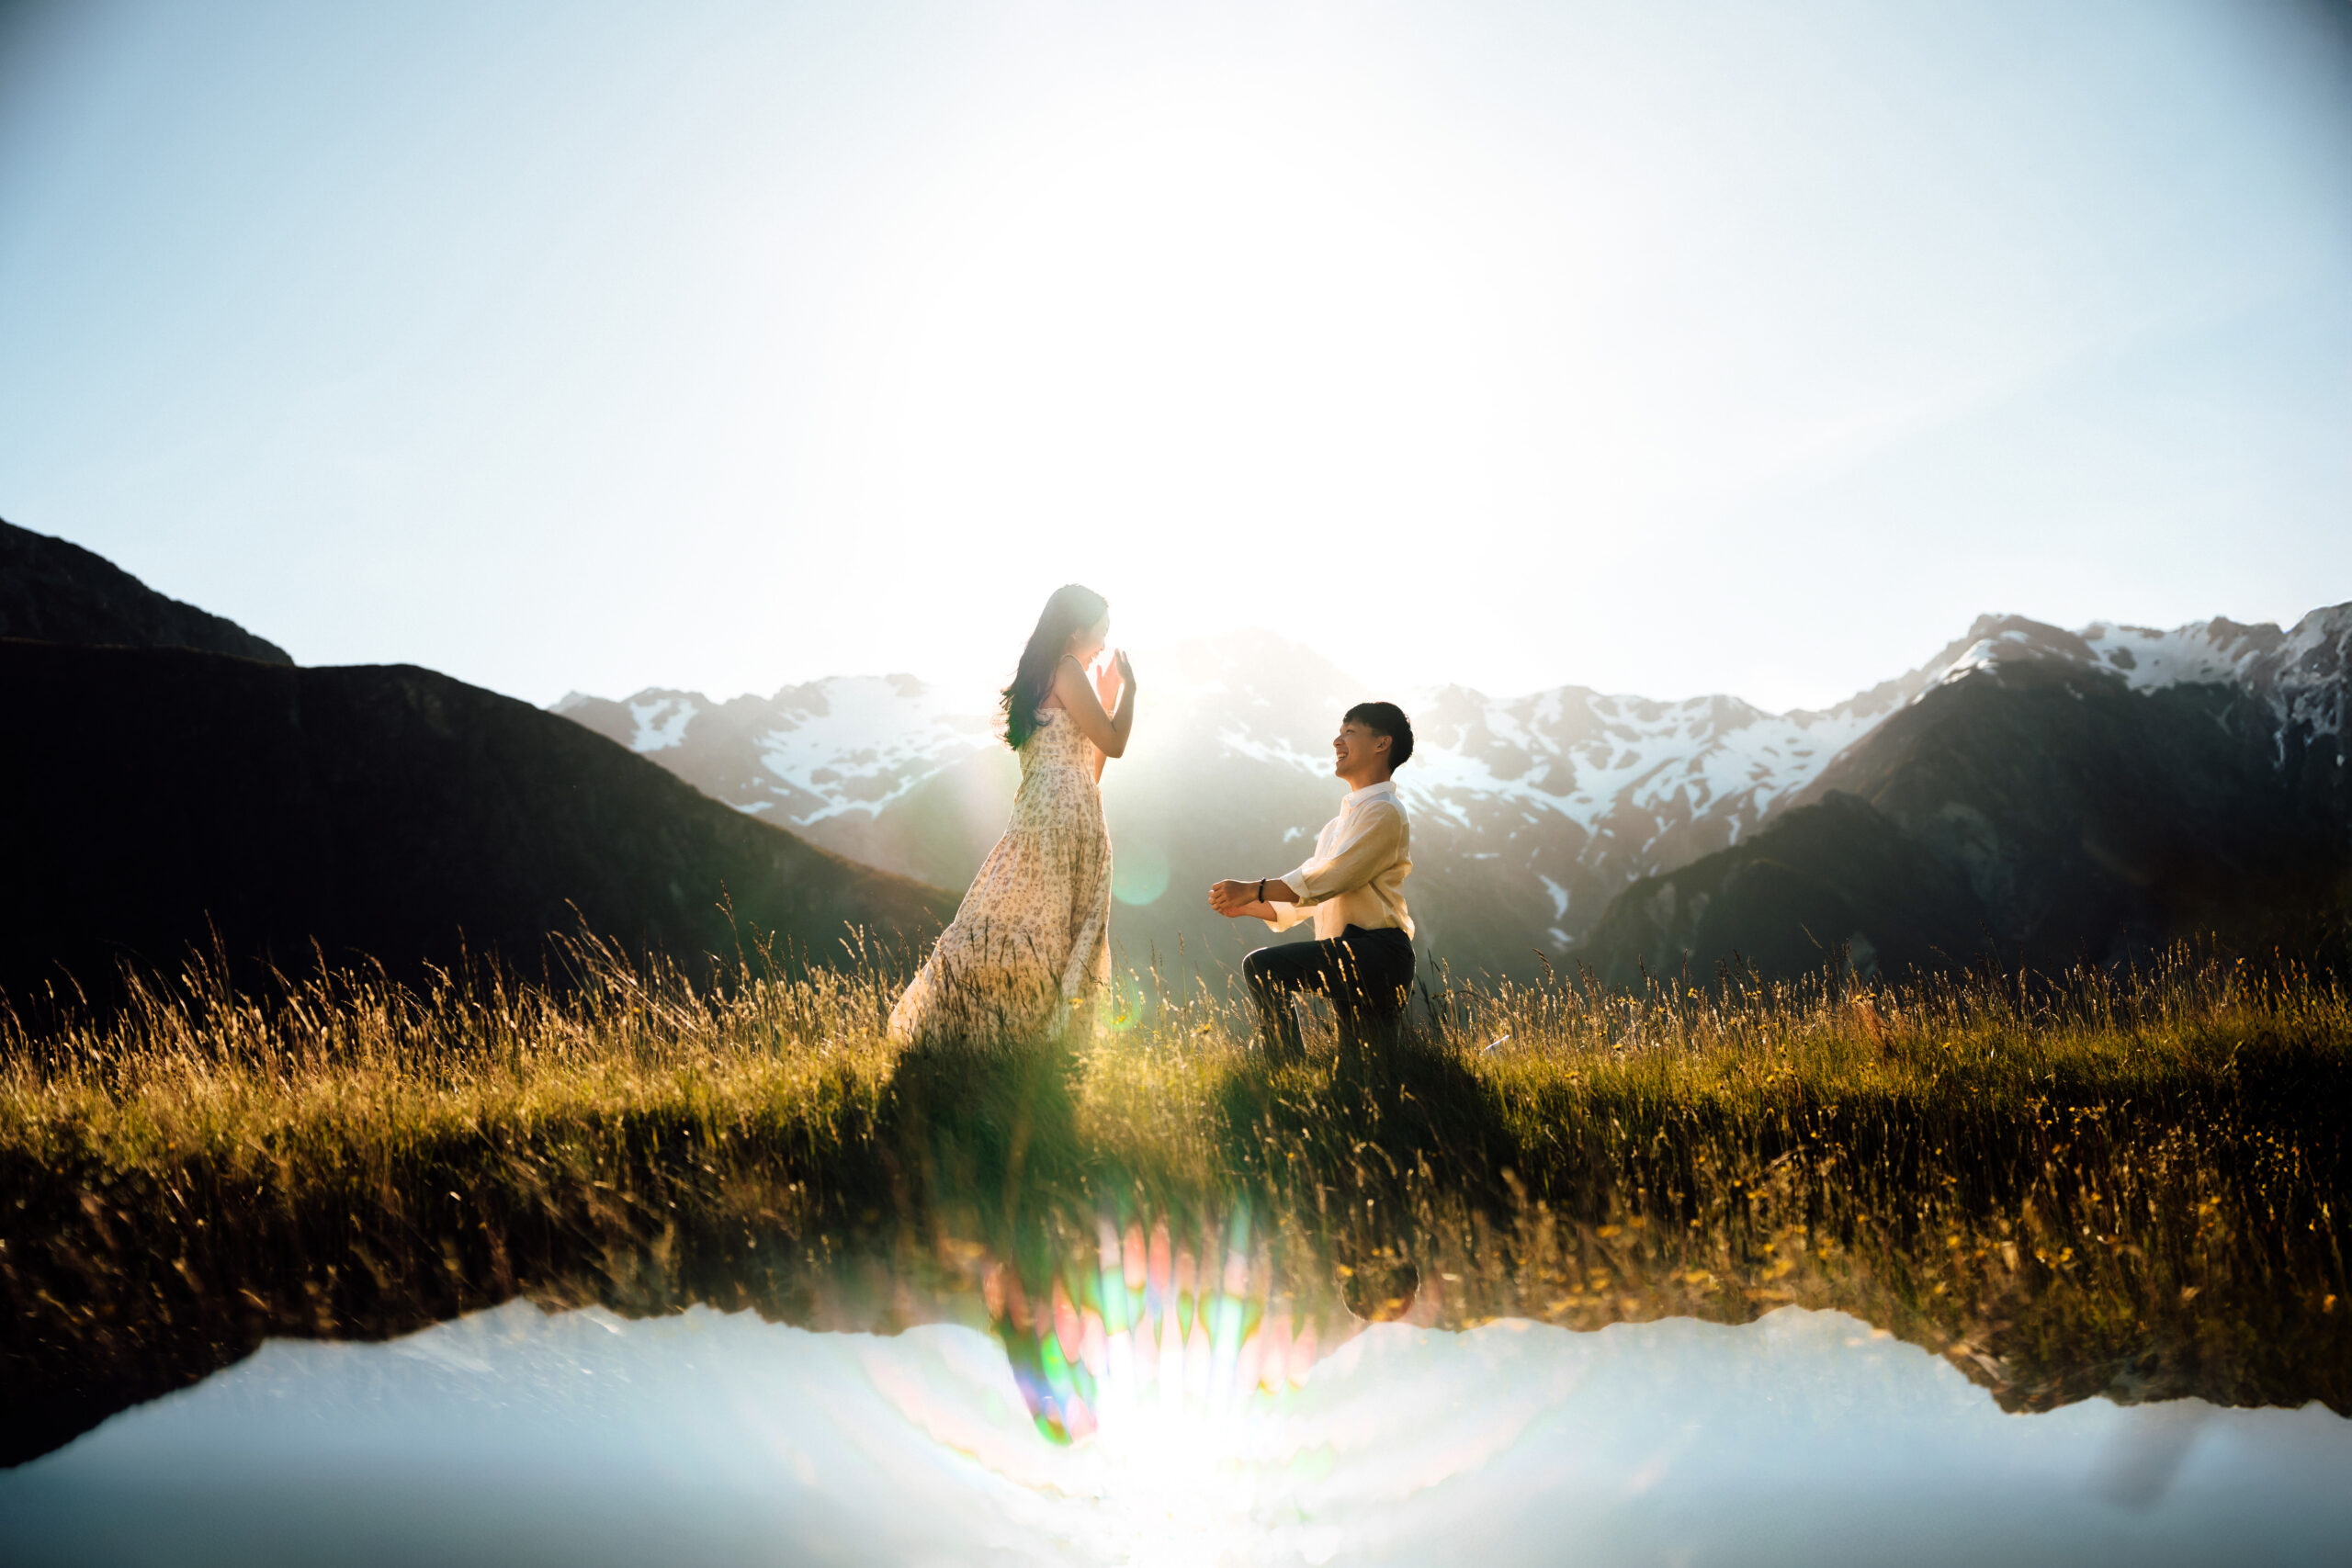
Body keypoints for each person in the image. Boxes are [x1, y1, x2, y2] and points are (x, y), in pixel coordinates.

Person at [888, 584, 1136, 1048]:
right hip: (1069, 819)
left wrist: (1102, 699)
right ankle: (1048, 1040)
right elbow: (1116, 745)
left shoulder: (1040, 676)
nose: (1104, 644)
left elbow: (1093, 766)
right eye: (1100, 632)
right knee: (1066, 931)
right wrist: (1127, 691)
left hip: (1044, 814)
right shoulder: (1067, 669)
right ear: (1076, 631)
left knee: (1020, 924)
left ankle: (988, 1028)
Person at [1208, 702, 1416, 1060]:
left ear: (1382, 743)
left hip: (1378, 953)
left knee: (1262, 968)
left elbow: (1328, 880)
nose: (1337, 741)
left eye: (1349, 732)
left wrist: (1252, 888)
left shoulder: (1384, 810)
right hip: (1351, 952)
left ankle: (1286, 1070)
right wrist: (1249, 906)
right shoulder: (1336, 827)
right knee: (1368, 1070)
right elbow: (1309, 898)